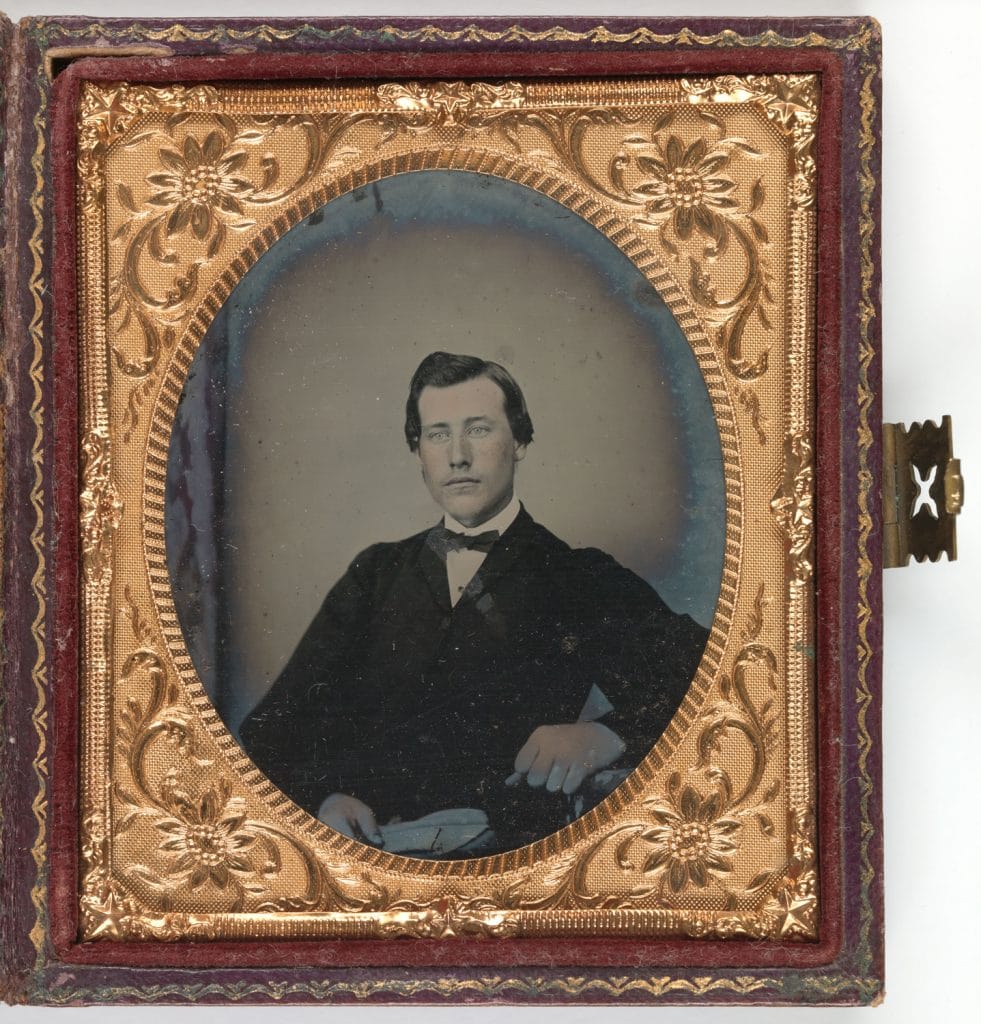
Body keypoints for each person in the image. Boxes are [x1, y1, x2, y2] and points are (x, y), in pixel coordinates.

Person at [239, 352, 707, 855]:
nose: (457, 456)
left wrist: (605, 737)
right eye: (437, 434)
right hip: (372, 856)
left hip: (512, 858)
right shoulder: (375, 573)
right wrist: (325, 795)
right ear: (418, 452)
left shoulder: (577, 575)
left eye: (478, 430)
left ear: (520, 441)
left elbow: (713, 678)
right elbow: (272, 727)